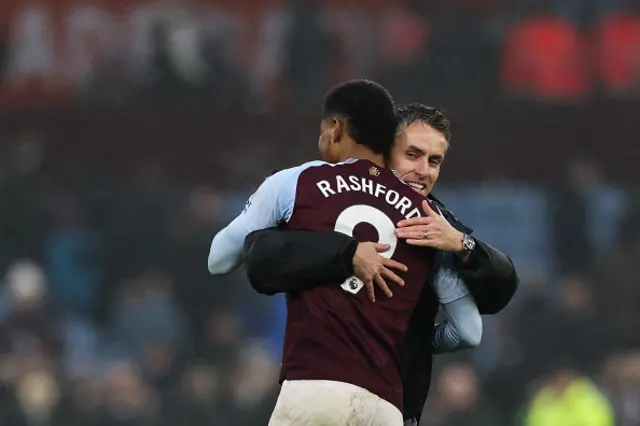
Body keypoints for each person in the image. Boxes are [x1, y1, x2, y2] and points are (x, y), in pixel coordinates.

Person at [208, 80, 480, 425]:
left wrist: (276, 226)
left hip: (318, 388)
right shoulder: (431, 218)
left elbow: (219, 259)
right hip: (387, 408)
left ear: (336, 128)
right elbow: (470, 332)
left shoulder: (298, 182)